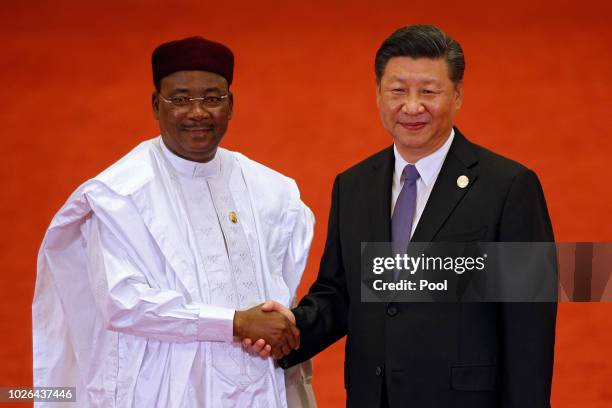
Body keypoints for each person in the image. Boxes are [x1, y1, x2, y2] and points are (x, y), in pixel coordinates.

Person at [251, 25, 557, 407]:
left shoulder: (508, 187)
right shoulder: (354, 185)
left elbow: (528, 328)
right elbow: (341, 293)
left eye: (429, 91)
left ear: (458, 95)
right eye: (398, 91)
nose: (412, 107)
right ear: (378, 94)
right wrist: (286, 332)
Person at [33, 36, 316, 407]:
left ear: (231, 105)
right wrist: (234, 323)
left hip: (259, 385)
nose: (197, 112)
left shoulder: (271, 189)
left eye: (212, 98)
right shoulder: (122, 194)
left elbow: (284, 287)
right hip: (164, 384)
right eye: (180, 100)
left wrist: (276, 325)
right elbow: (123, 302)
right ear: (156, 105)